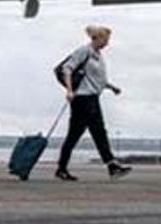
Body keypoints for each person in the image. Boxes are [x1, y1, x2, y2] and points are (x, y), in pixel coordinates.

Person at [55, 25, 132, 181]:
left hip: (92, 97)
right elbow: (67, 69)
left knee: (77, 134)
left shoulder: (98, 55)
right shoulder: (84, 51)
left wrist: (111, 87)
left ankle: (62, 168)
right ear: (98, 38)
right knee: (98, 132)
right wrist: (69, 90)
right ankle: (111, 165)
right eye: (106, 39)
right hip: (83, 99)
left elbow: (97, 79)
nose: (107, 43)